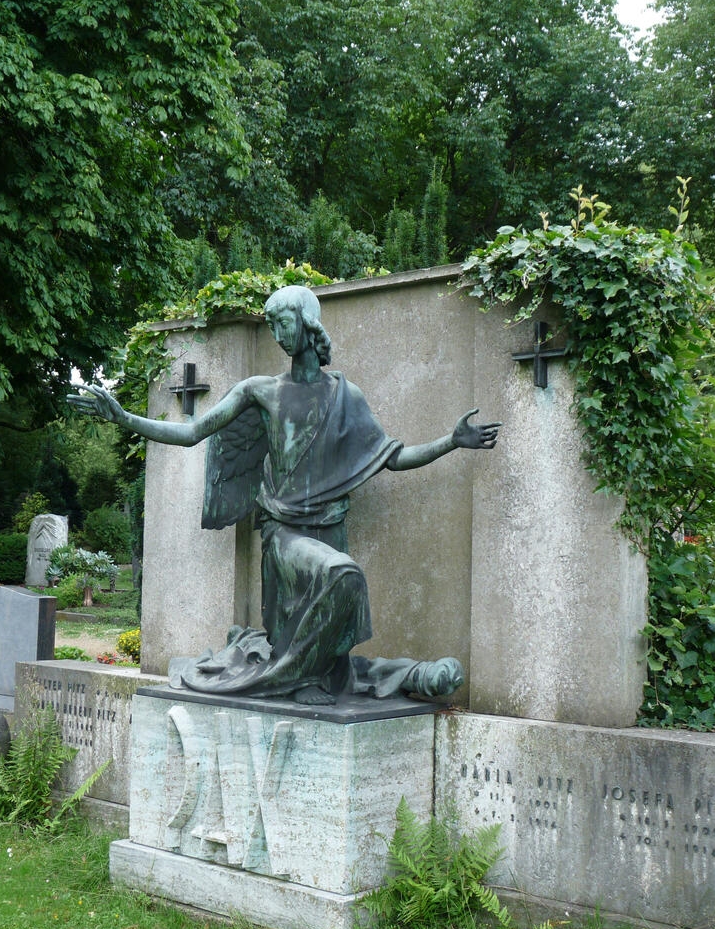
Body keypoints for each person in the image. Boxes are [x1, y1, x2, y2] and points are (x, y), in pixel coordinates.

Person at [69, 285, 499, 703]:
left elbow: (394, 457)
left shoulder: (345, 396)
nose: (275, 333)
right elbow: (192, 433)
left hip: (329, 528)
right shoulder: (261, 390)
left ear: (306, 324)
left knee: (336, 647)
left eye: (282, 321)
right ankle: (290, 678)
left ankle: (321, 676)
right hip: (284, 535)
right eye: (270, 324)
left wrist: (451, 441)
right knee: (343, 573)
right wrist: (123, 417)